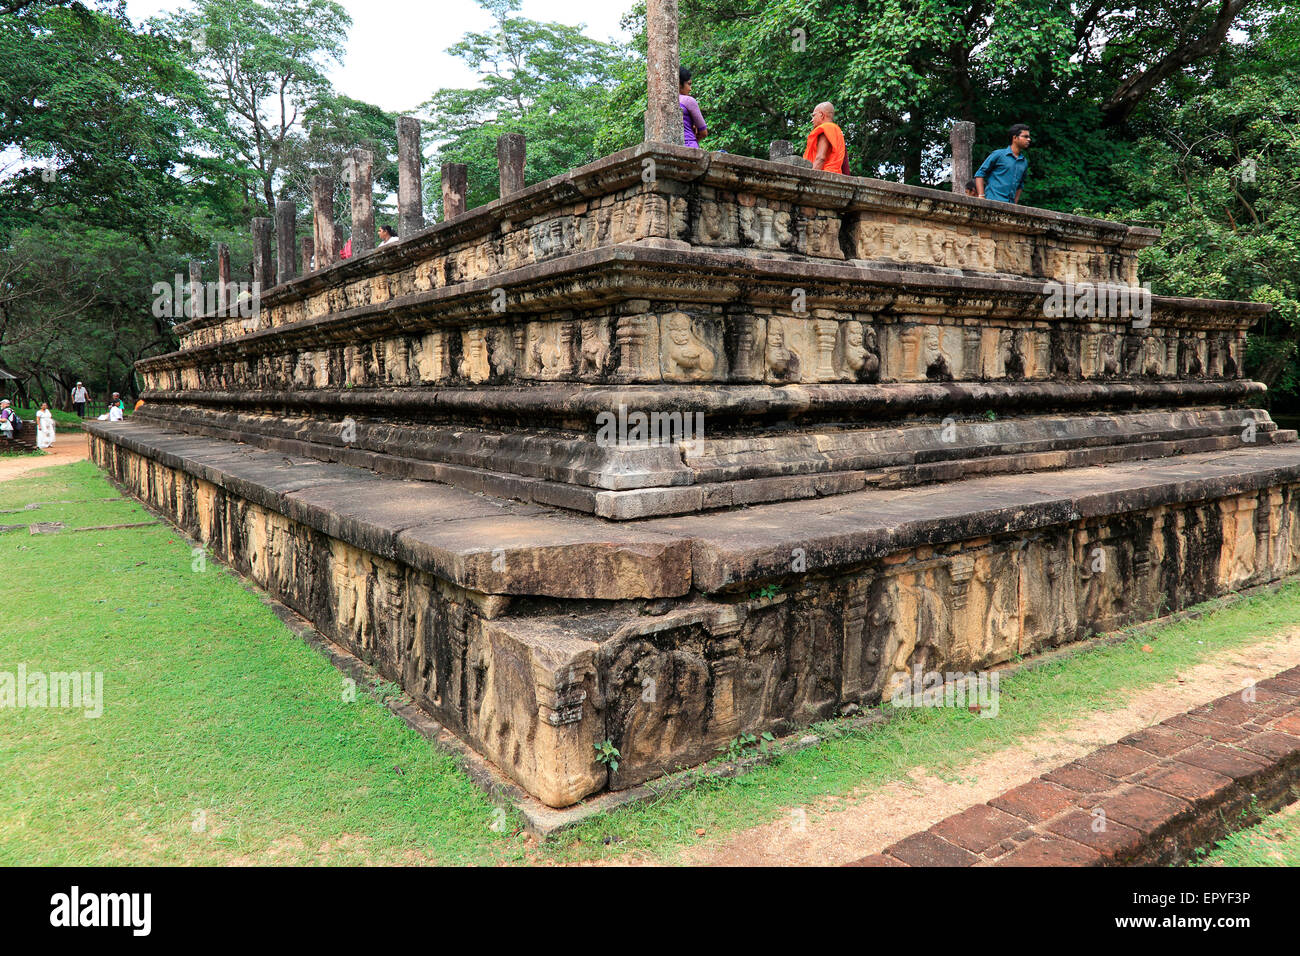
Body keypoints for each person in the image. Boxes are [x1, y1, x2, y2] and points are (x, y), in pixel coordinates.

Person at [975, 124, 1031, 203]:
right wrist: (981, 196)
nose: (1029, 139)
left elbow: (1020, 185)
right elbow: (980, 174)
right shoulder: (998, 154)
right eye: (1025, 136)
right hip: (992, 201)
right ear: (1014, 138)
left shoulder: (1024, 162)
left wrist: (1015, 204)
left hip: (1010, 206)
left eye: (1029, 137)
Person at [804, 102, 846, 174]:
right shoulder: (837, 130)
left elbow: (820, 158)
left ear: (821, 115)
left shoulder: (825, 129)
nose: (812, 120)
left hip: (825, 174)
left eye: (814, 116)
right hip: (835, 174)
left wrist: (809, 178)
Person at [680, 66, 707, 149]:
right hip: (689, 146)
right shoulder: (688, 101)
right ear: (679, 84)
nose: (690, 89)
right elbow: (704, 132)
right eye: (688, 84)